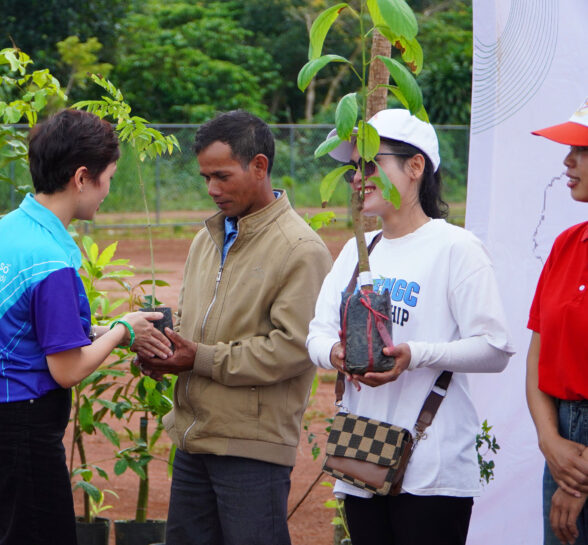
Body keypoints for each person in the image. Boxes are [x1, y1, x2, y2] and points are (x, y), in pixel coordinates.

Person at [0, 109, 171, 545]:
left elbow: (25, 326)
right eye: (108, 177)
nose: (108, 191)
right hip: (23, 425)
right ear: (81, 177)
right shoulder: (52, 261)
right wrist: (121, 330)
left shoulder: (12, 227)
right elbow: (67, 369)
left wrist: (91, 329)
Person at [306, 109, 513, 545]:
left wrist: (414, 354)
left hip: (433, 467)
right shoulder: (358, 250)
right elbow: (317, 334)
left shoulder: (456, 248)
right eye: (352, 169)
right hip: (362, 454)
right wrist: (336, 355)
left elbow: (494, 348)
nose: (358, 178)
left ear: (415, 166)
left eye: (371, 163)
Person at [136, 110, 333, 545]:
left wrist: (199, 358)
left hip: (251, 450)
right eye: (206, 177)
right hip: (195, 439)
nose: (212, 189)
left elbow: (291, 348)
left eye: (222, 176)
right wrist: (165, 348)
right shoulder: (206, 239)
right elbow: (193, 320)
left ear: (259, 166)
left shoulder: (301, 249)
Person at [526, 96, 588, 545]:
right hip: (563, 441)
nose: (567, 161)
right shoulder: (567, 244)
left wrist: (578, 476)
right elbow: (537, 359)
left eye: (582, 151)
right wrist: (552, 443)